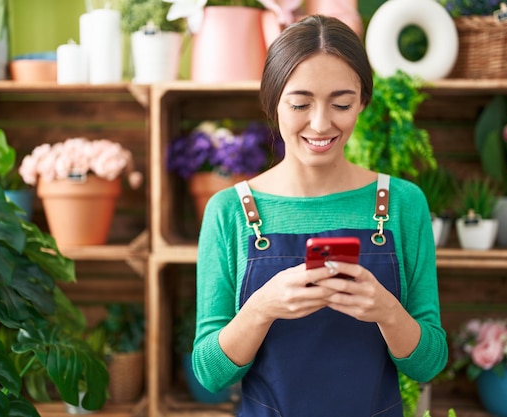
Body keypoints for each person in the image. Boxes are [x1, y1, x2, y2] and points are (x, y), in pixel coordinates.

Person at [192, 14, 448, 416]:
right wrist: (262, 308)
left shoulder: (401, 203)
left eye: (341, 103)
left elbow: (429, 364)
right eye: (300, 103)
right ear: (273, 101)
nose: (320, 123)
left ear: (362, 102)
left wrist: (386, 310)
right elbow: (209, 372)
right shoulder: (230, 212)